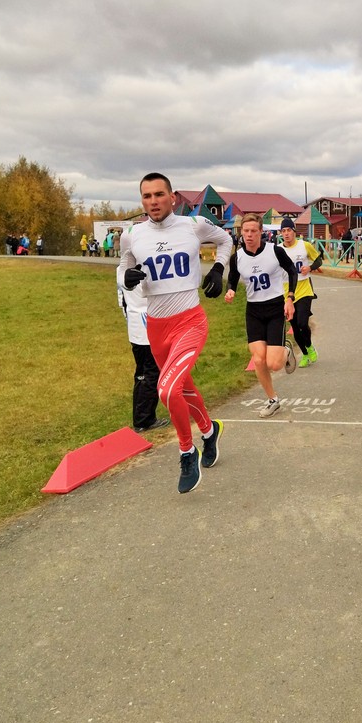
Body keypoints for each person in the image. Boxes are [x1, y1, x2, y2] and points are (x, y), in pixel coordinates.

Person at [118, 172, 232, 493]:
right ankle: (209, 432)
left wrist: (219, 268)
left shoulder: (193, 225)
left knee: (167, 391)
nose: (153, 201)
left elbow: (225, 240)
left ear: (172, 197)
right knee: (182, 389)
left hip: (189, 322)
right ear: (142, 201)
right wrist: (127, 279)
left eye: (158, 194)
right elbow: (124, 267)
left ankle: (187, 450)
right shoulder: (132, 235)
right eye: (146, 196)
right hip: (156, 327)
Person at [224, 213, 298, 417]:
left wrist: (290, 297)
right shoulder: (237, 257)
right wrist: (231, 290)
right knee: (258, 360)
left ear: (261, 233)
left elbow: (292, 271)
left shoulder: (274, 251)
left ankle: (286, 349)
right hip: (254, 311)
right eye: (245, 231)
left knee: (273, 364)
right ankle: (273, 399)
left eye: (253, 231)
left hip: (274, 309)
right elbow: (232, 278)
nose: (248, 235)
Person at [116, 266, 170, 433]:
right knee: (150, 373)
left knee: (142, 373)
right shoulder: (144, 267)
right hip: (147, 325)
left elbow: (121, 301)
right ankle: (144, 419)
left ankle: (141, 416)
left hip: (135, 326)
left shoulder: (121, 269)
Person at [278, 218, 323, 367]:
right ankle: (304, 354)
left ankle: (309, 347)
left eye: (289, 230)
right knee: (295, 327)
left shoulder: (305, 246)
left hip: (304, 289)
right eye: (283, 231)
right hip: (286, 293)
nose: (286, 234)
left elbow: (318, 260)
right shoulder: (278, 250)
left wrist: (310, 268)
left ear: (294, 231)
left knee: (302, 323)